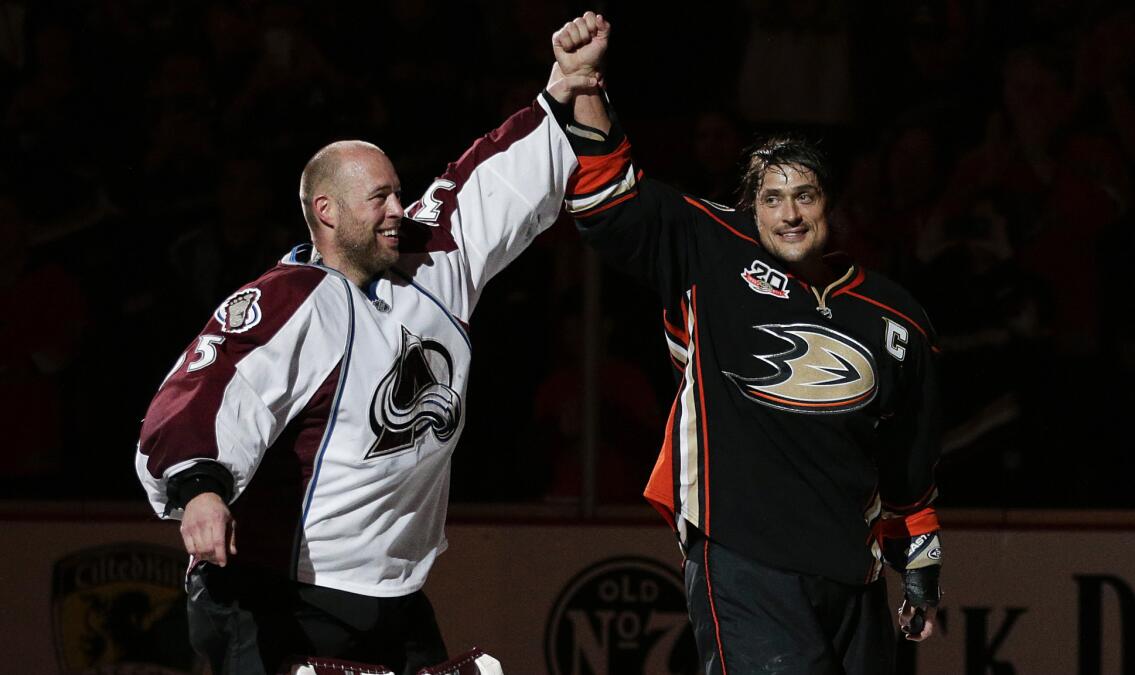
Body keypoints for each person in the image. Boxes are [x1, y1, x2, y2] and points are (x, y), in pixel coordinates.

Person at [134, 17, 605, 675]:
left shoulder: (433, 259)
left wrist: (564, 84)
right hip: (272, 589)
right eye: (379, 196)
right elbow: (206, 388)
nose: (396, 208)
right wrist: (201, 489)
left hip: (390, 592)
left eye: (397, 192)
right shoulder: (289, 298)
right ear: (326, 211)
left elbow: (487, 181)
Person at [550, 19, 943, 674]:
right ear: (749, 209)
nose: (789, 213)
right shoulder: (710, 249)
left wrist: (923, 578)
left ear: (831, 206)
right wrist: (586, 82)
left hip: (855, 573)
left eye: (805, 196)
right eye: (772, 198)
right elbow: (608, 200)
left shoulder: (898, 317)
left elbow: (911, 475)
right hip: (745, 561)